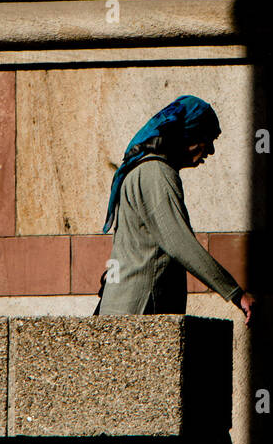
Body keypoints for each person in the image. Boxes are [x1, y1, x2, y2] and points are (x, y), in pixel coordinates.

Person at [95, 94, 256, 326]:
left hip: (131, 308)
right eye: (207, 139)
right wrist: (235, 294)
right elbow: (180, 242)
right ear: (187, 135)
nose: (210, 150)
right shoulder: (156, 172)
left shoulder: (146, 170)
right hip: (140, 312)